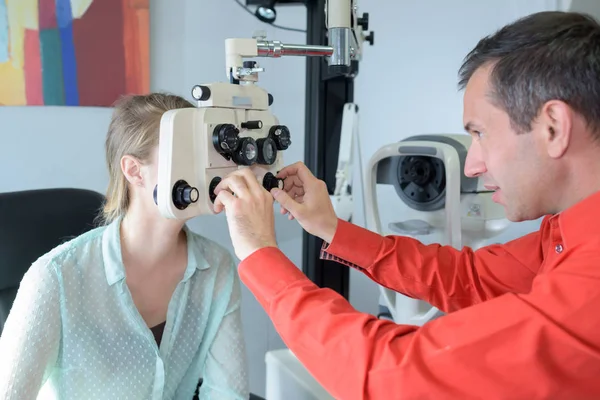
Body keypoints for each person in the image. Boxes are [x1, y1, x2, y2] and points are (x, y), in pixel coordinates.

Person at [212, 10, 600, 400]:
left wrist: (261, 254)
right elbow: (470, 278)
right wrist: (330, 227)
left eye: (480, 134)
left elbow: (393, 374)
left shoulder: (591, 282)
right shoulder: (569, 234)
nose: (472, 164)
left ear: (553, 127)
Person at [0, 93, 249, 399]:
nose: (205, 169)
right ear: (133, 170)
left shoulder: (217, 267)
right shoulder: (54, 279)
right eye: (185, 154)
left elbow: (228, 394)